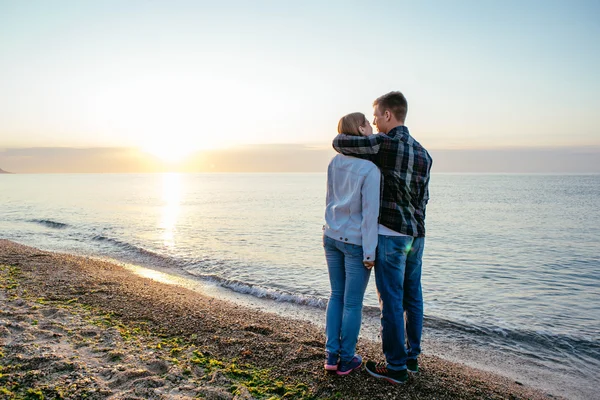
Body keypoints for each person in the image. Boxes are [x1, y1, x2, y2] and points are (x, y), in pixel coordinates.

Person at [332, 91, 433, 384]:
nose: (374, 122)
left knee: (390, 301)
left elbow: (340, 142)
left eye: (376, 115)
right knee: (412, 296)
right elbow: (424, 199)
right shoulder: (424, 153)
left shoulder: (385, 145)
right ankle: (412, 357)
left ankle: (396, 367)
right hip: (417, 235)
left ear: (388, 115)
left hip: (390, 236)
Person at [323, 112, 381, 376]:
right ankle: (347, 359)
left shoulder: (334, 162)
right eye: (368, 123)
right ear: (360, 128)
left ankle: (331, 356)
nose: (372, 126)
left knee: (337, 296)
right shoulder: (369, 169)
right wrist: (371, 252)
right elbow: (370, 215)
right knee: (352, 303)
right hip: (356, 242)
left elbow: (329, 199)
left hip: (332, 236)